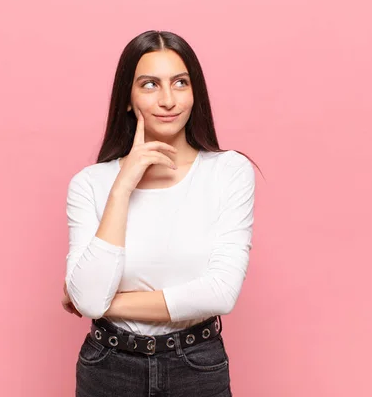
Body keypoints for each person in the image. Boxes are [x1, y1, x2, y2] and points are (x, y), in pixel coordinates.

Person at [61, 30, 258, 397]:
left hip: (196, 366)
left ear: (194, 92)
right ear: (127, 99)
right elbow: (88, 299)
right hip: (108, 367)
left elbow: (220, 293)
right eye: (150, 84)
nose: (168, 100)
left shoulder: (228, 172)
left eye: (180, 83)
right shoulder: (90, 184)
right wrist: (122, 187)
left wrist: (105, 302)